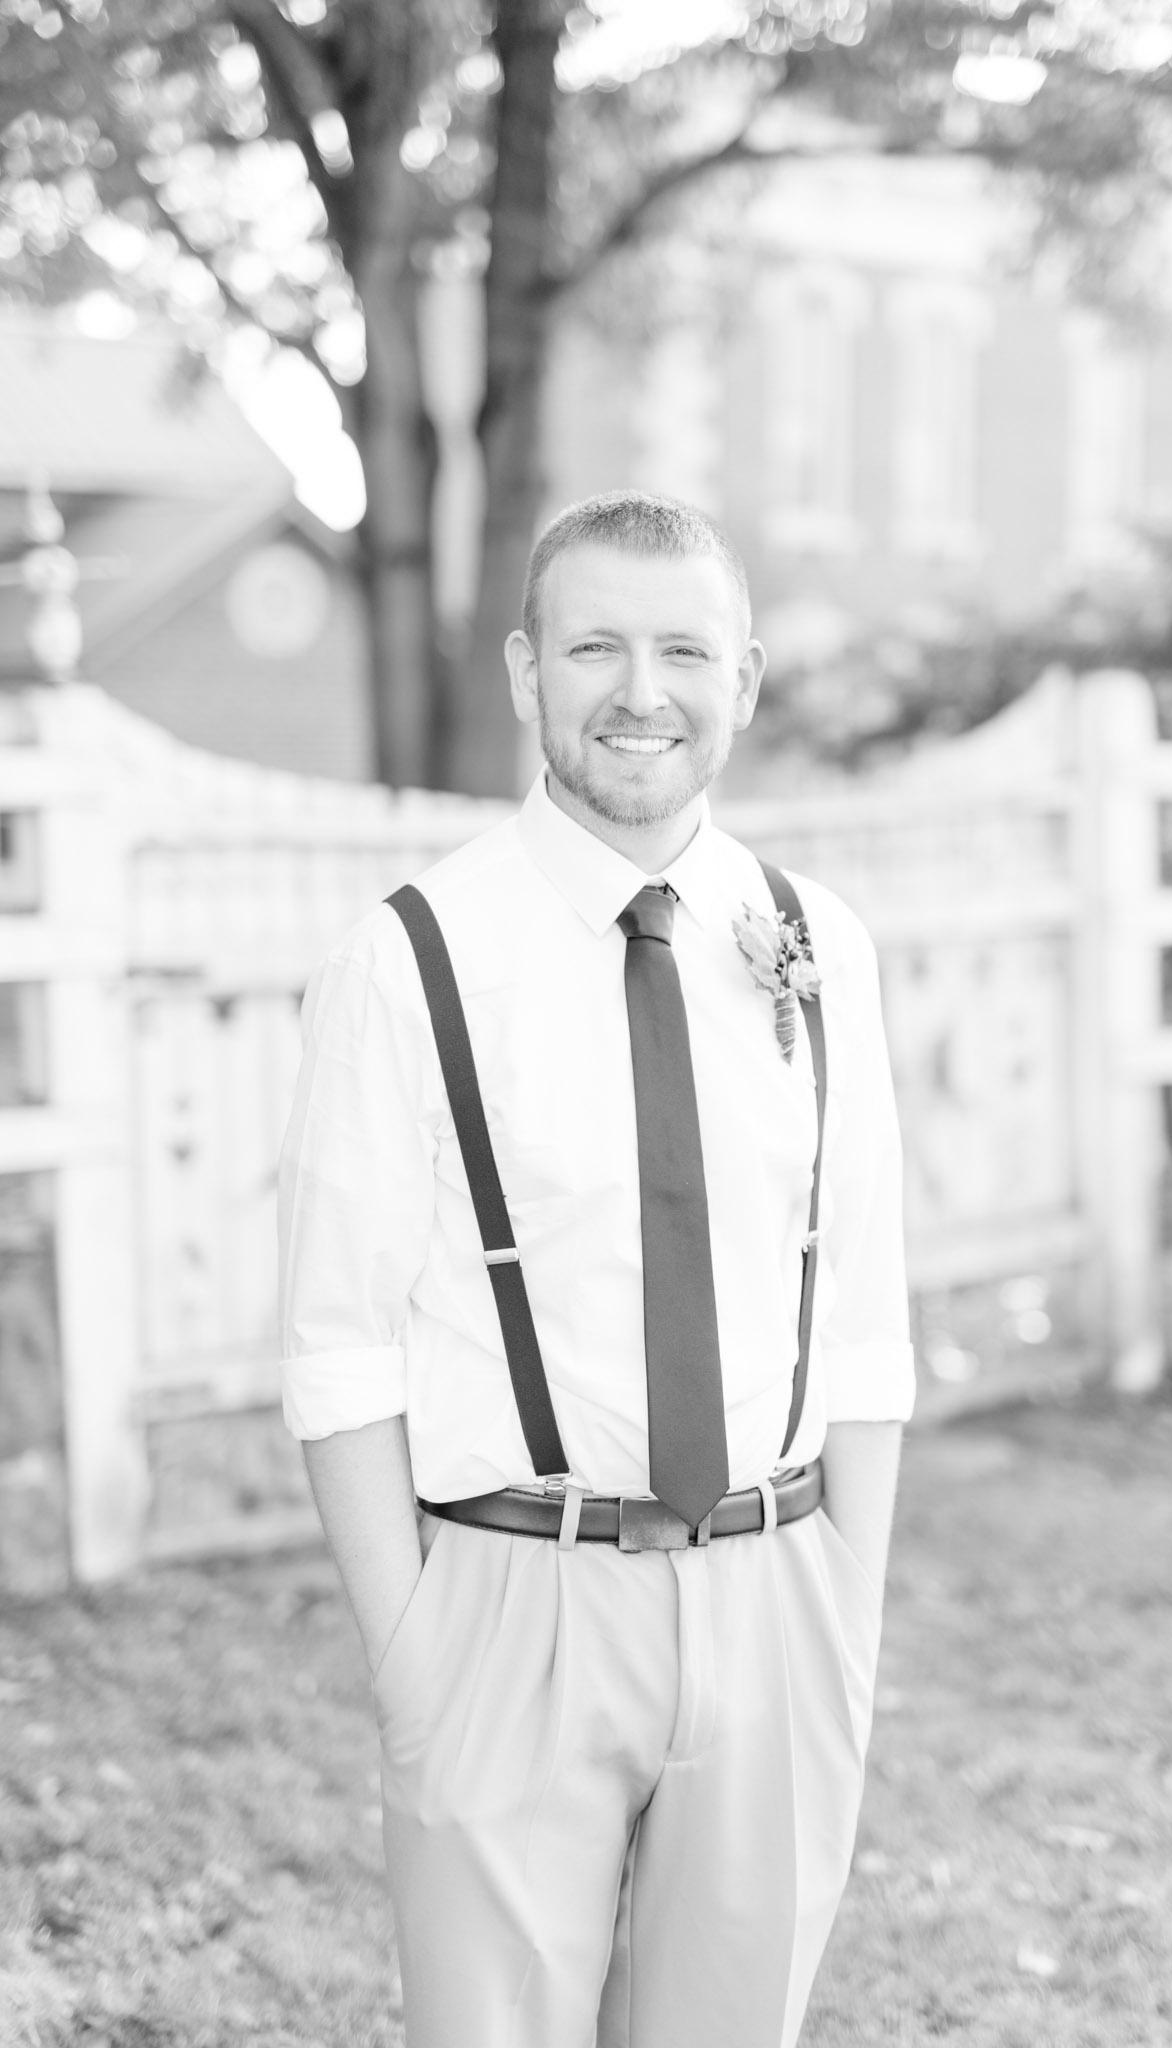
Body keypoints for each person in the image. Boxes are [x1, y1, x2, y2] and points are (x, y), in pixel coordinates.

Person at [277, 490, 914, 2048]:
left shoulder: (816, 940)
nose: (642, 691)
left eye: (684, 648)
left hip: (774, 1595)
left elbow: (867, 1309)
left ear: (745, 680)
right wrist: (416, 1654)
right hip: (511, 1602)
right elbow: (341, 1340)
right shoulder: (411, 958)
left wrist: (843, 1605)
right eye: (596, 647)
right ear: (524, 672)